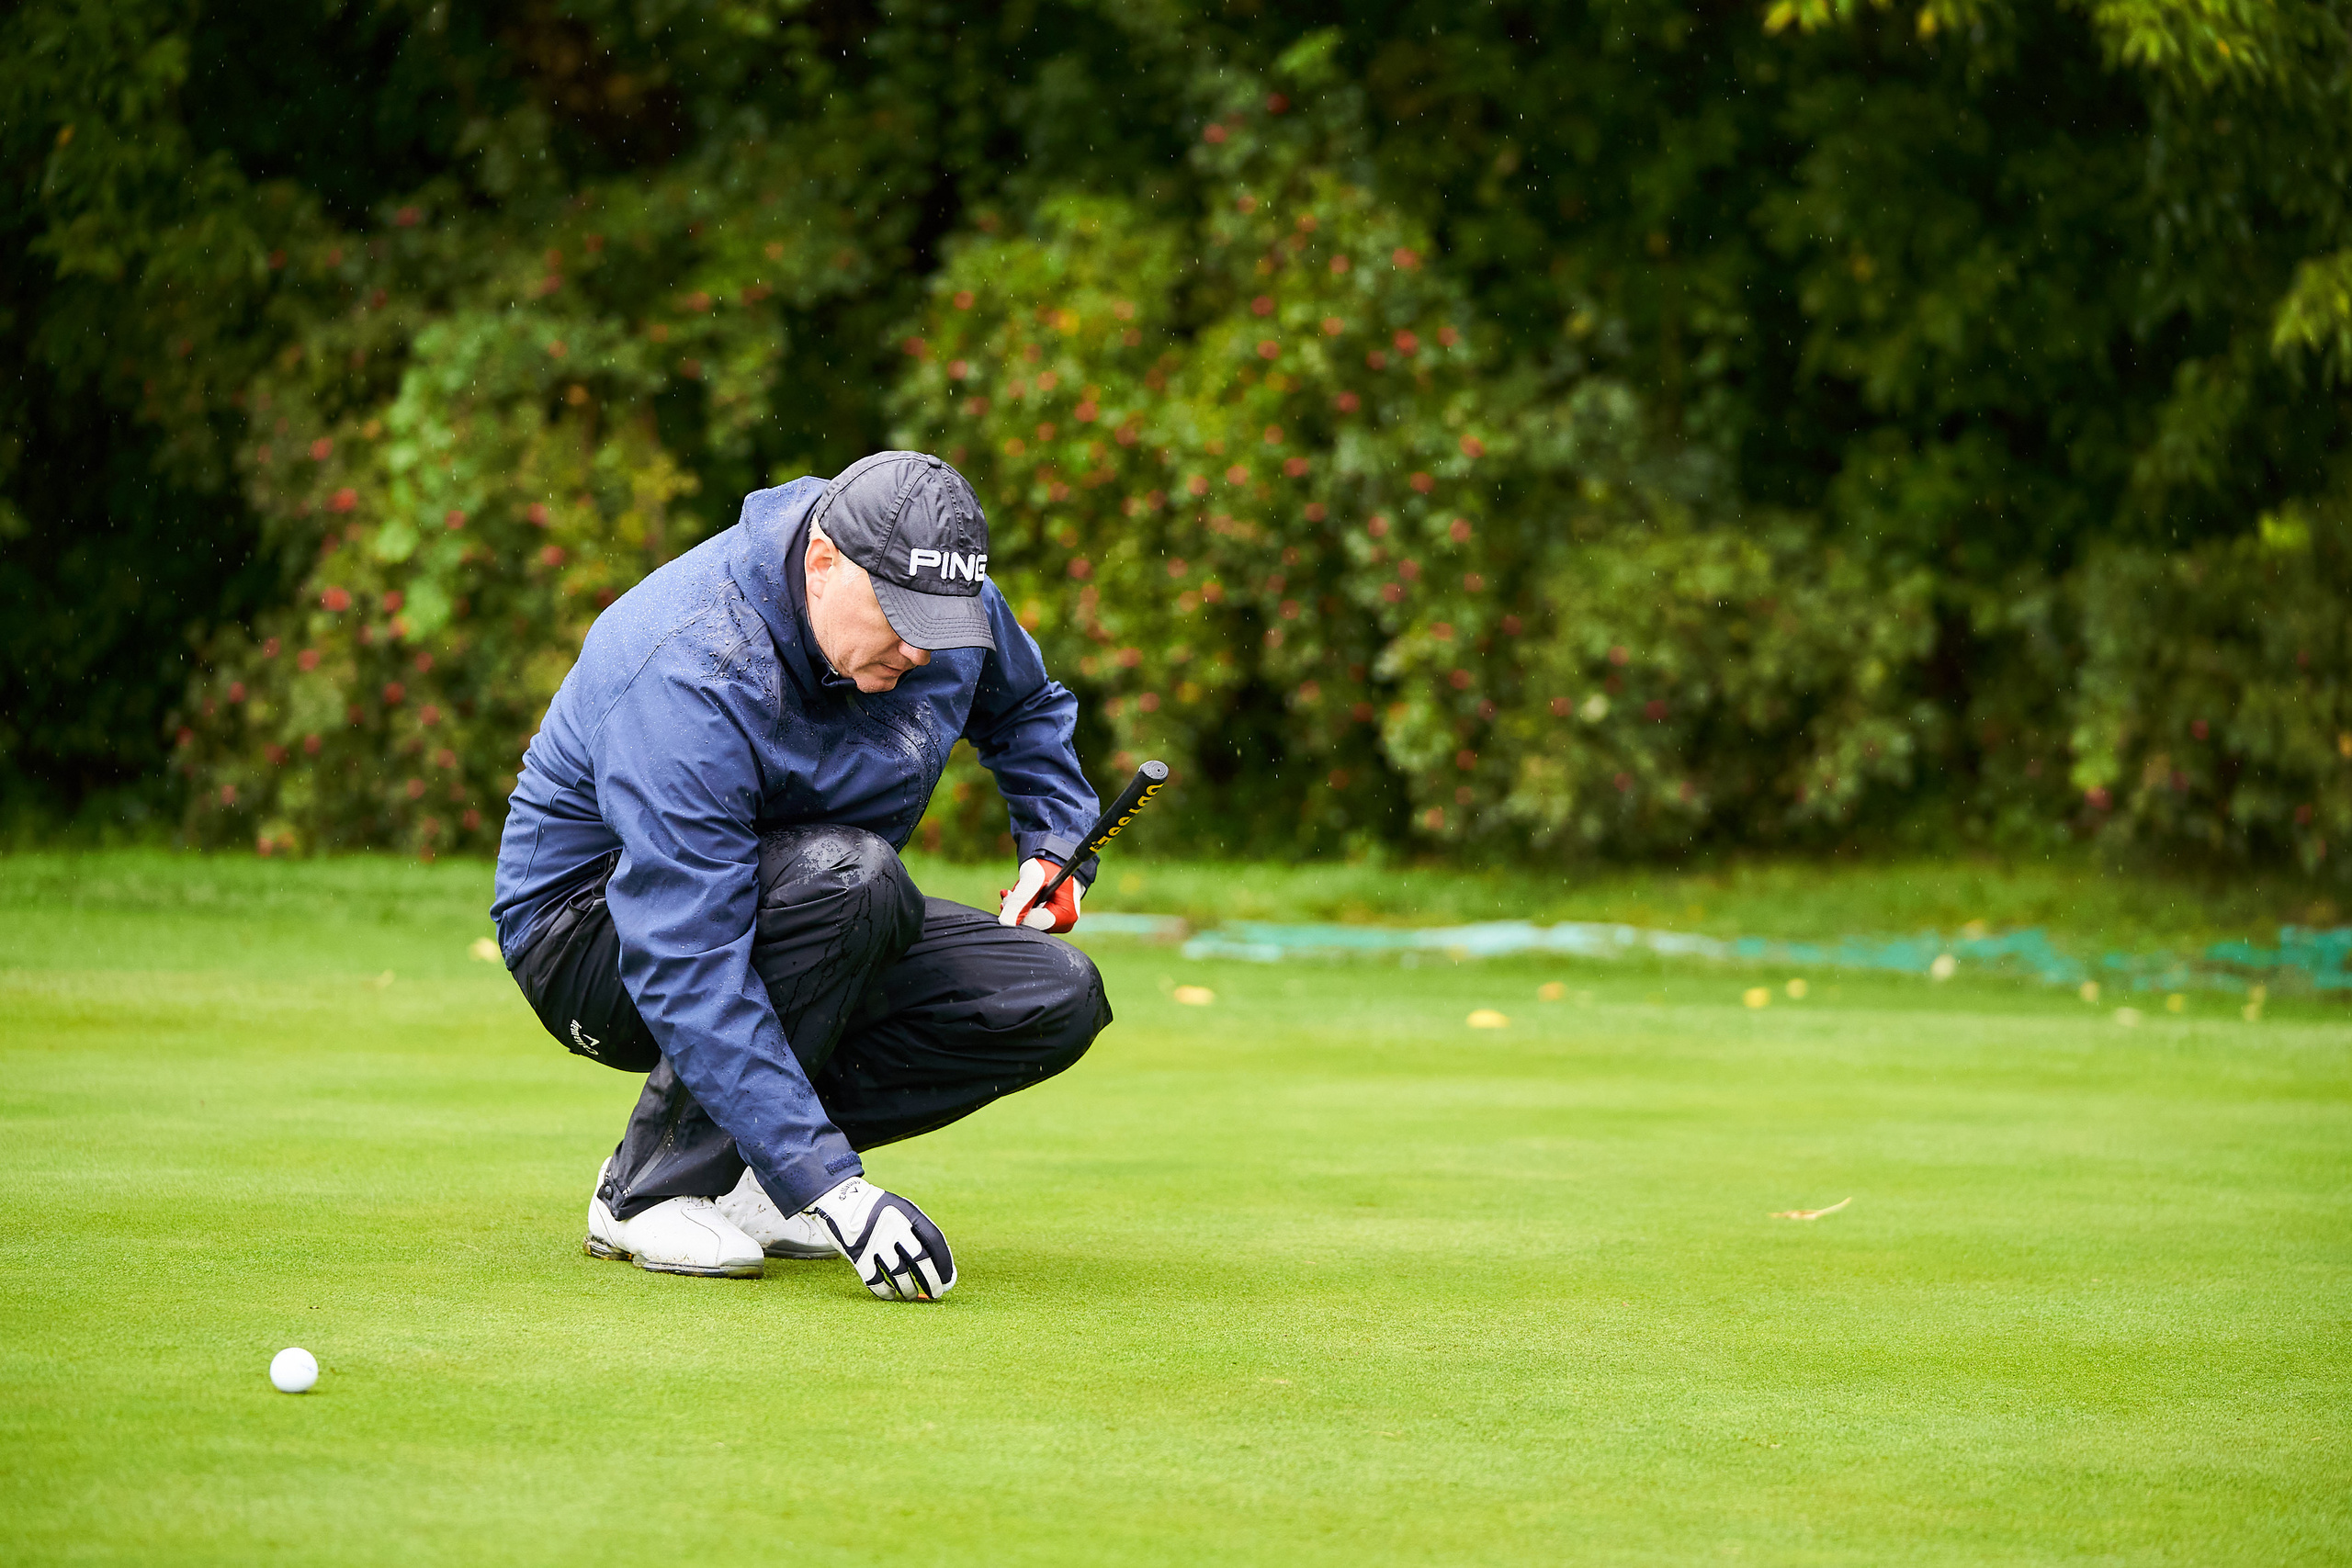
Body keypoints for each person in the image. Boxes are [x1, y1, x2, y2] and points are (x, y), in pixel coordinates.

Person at [490, 451, 1110, 1303]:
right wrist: (836, 1190)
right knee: (857, 882)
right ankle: (645, 1191)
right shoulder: (692, 660)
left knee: (1051, 993)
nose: (922, 649)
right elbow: (687, 952)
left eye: (940, 622)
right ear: (823, 563)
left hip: (814, 903)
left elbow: (1027, 709)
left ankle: (747, 1171)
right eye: (899, 617)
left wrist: (1055, 845)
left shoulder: (939, 605)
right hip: (590, 934)